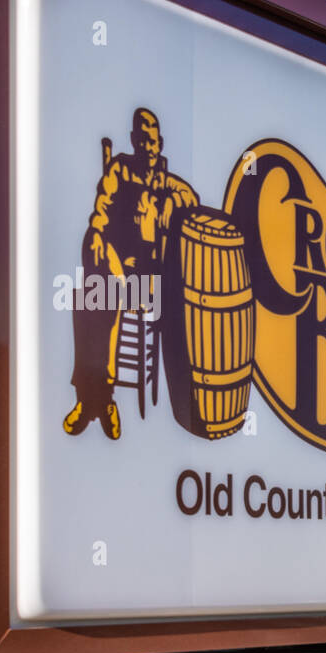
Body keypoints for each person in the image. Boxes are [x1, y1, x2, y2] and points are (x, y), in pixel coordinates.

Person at [63, 108, 198, 438]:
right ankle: (96, 397)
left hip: (151, 281)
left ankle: (98, 398)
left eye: (152, 142)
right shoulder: (120, 169)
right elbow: (101, 212)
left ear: (160, 144)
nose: (146, 147)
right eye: (141, 140)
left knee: (105, 294)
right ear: (133, 141)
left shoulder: (166, 181)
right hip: (117, 271)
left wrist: (172, 204)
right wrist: (97, 238)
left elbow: (191, 198)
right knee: (86, 297)